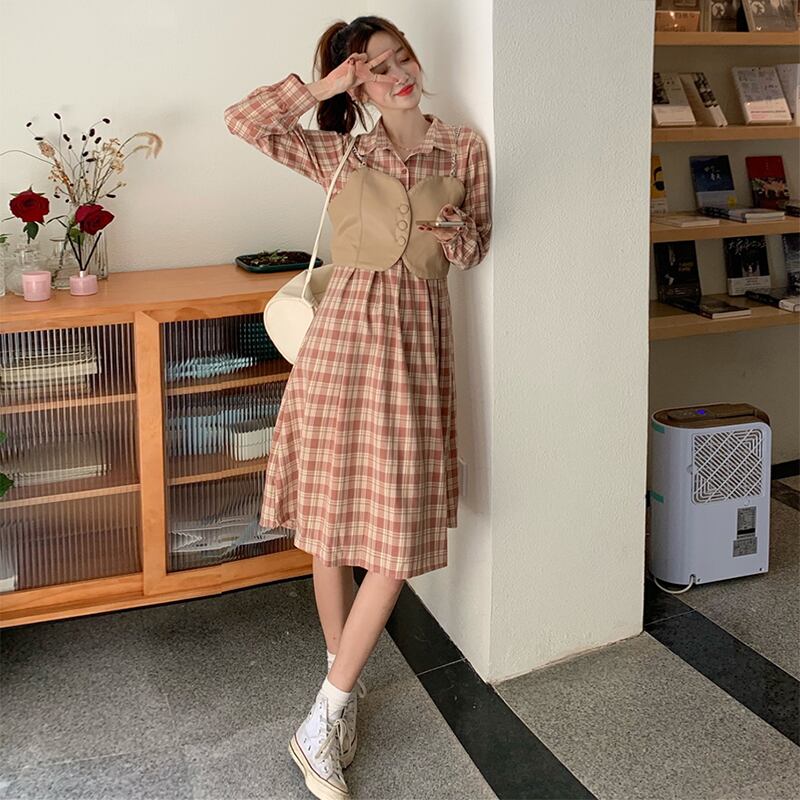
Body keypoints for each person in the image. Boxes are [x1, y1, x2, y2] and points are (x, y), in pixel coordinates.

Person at [224, 15, 491, 800]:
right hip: (341, 348)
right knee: (330, 527)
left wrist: (457, 230)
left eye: (400, 58)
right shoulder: (340, 150)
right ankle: (338, 697)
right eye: (375, 68)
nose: (397, 74)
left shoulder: (463, 147)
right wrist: (325, 87)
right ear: (357, 82)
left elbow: (475, 248)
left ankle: (325, 712)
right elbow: (243, 121)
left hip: (414, 352)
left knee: (393, 544)